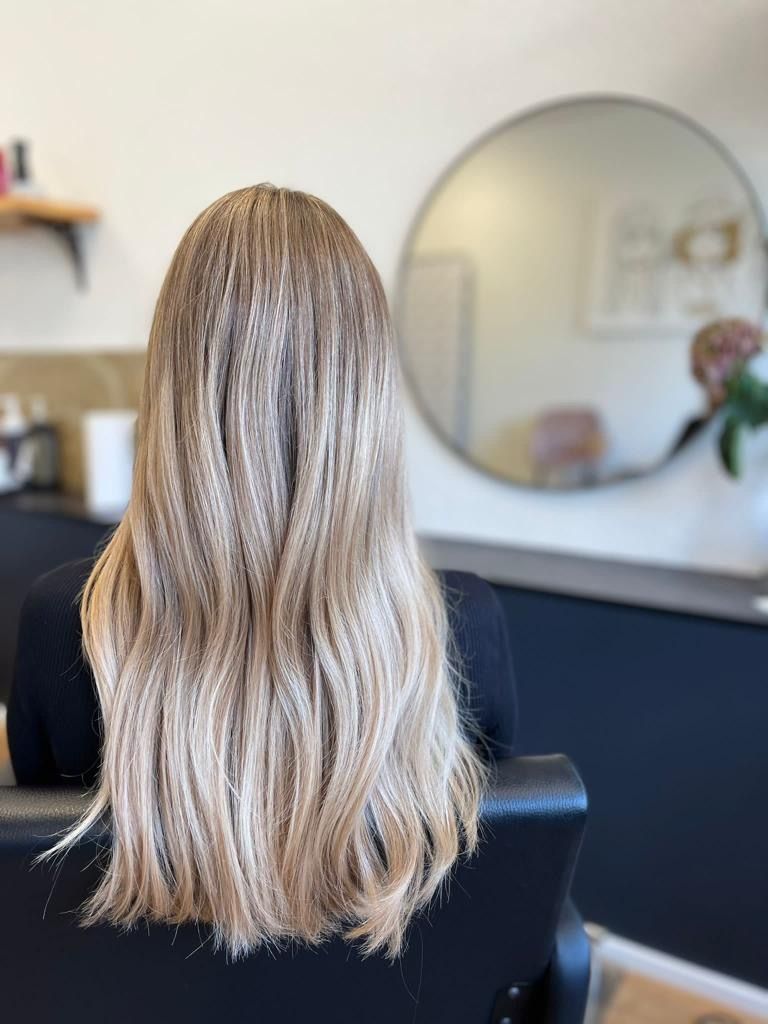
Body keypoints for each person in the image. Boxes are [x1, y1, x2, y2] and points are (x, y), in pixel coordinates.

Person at [7, 185, 515, 958]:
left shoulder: (63, 624)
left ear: (173, 384)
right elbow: (487, 873)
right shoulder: (464, 624)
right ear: (366, 393)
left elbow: (57, 896)